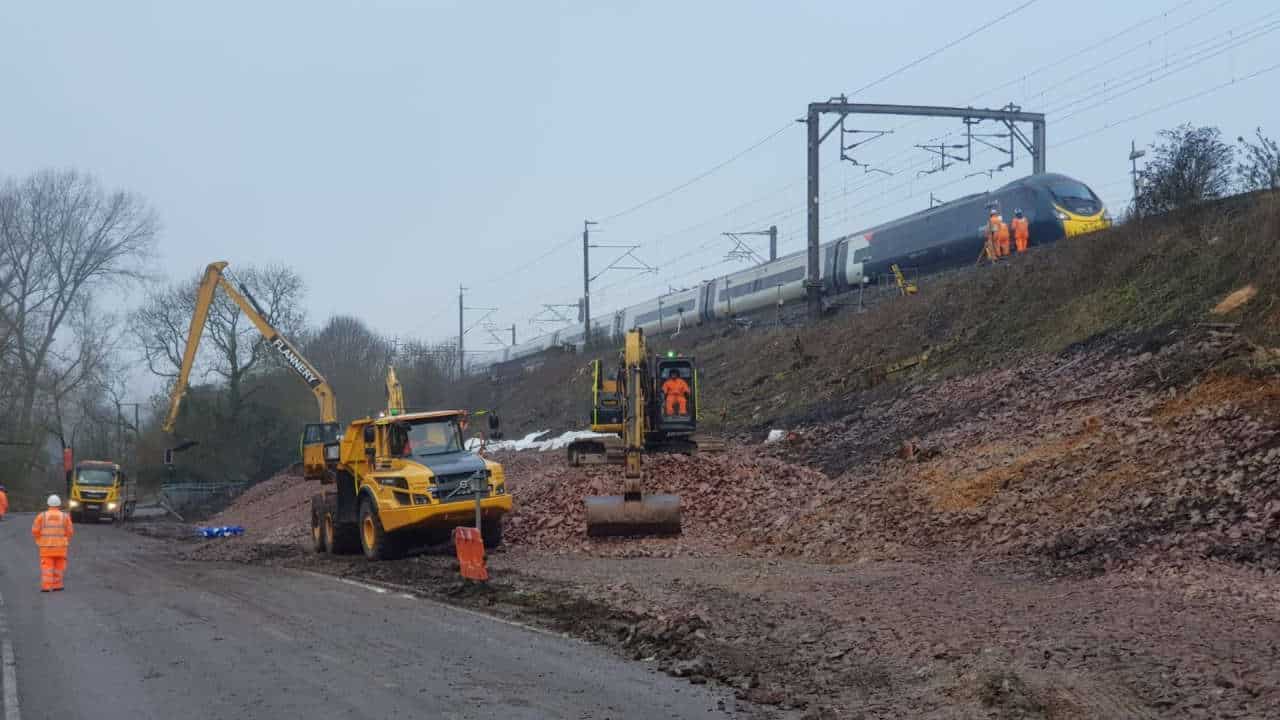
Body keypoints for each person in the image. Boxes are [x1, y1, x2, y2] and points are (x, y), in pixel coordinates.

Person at [32, 494, 74, 592]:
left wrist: (39, 540)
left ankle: (46, 587)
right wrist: (65, 540)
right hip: (61, 548)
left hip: (46, 548)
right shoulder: (65, 516)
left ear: (48, 504)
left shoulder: (42, 516)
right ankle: (57, 585)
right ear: (59, 504)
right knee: (59, 567)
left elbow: (35, 530)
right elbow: (70, 531)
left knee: (47, 568)